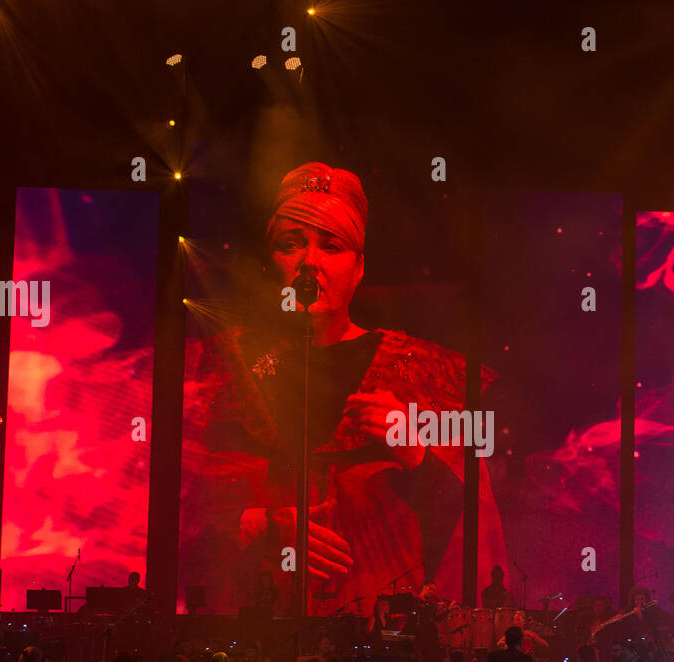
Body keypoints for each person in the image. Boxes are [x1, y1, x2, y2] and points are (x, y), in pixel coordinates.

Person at [178, 161, 505, 613]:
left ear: (359, 268)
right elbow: (162, 515)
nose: (309, 261)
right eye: (290, 244)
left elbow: (477, 534)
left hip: (374, 629)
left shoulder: (427, 376)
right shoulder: (210, 368)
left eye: (331, 246)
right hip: (244, 625)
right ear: (269, 263)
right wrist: (261, 525)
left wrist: (415, 454)